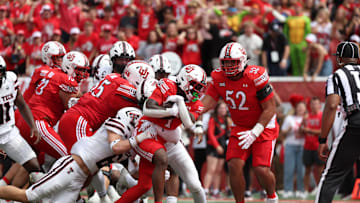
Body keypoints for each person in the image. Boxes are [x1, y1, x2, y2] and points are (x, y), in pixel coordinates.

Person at [0, 107, 152, 202]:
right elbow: (116, 146)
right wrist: (139, 138)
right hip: (71, 166)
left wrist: (154, 171)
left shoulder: (144, 133)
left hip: (80, 178)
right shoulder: (131, 116)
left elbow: (134, 171)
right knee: (29, 196)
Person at [196, 42, 279, 203]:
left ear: (242, 61)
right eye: (225, 62)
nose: (228, 66)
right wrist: (189, 111)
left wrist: (255, 132)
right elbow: (207, 102)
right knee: (234, 165)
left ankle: (271, 196)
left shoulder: (256, 76)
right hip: (240, 125)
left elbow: (270, 109)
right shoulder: (218, 77)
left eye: (232, 62)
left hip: (263, 125)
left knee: (260, 169)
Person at [117, 64, 207, 203]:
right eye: (194, 85)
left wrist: (180, 103)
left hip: (169, 138)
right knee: (161, 159)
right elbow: (148, 108)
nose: (196, 91)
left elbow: (189, 122)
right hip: (148, 132)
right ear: (183, 79)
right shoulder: (168, 85)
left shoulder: (196, 103)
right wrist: (171, 111)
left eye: (199, 87)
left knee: (195, 185)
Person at [58, 41, 138, 152]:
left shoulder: (117, 78)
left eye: (127, 60)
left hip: (93, 121)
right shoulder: (117, 80)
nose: (124, 63)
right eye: (121, 59)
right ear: (113, 60)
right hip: (84, 119)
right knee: (82, 159)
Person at [16, 51, 89, 160]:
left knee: (32, 163)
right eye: (80, 70)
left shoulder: (55, 72)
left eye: (84, 70)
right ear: (69, 67)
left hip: (26, 120)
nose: (83, 73)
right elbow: (70, 107)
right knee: (70, 159)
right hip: (38, 122)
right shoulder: (67, 80)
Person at [316, 41, 360, 203]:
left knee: (331, 176)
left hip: (355, 122)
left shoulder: (336, 76)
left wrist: (322, 139)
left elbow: (332, 105)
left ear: (340, 58)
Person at [0, 55, 41, 175]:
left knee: (34, 166)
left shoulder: (10, 79)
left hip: (9, 132)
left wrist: (32, 126)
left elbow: (22, 104)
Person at [203, 101, 231, 198]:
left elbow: (229, 132)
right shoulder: (213, 119)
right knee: (211, 169)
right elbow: (210, 134)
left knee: (219, 171)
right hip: (213, 147)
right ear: (217, 109)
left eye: (224, 108)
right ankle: (205, 190)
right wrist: (217, 146)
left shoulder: (227, 120)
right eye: (221, 108)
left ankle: (215, 190)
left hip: (223, 147)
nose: (223, 110)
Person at [280, 101, 306, 199]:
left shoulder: (306, 119)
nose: (300, 109)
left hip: (302, 146)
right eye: (299, 107)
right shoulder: (289, 118)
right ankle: (288, 190)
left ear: (305, 109)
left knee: (301, 169)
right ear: (296, 108)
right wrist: (289, 130)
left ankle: (300, 190)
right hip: (290, 145)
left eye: (302, 107)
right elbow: (282, 132)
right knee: (289, 169)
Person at [301, 97, 324, 195]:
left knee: (320, 170)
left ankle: (319, 189)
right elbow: (300, 130)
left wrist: (309, 130)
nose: (314, 106)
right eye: (312, 104)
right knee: (307, 170)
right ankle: (306, 190)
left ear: (320, 105)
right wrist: (302, 122)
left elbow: (323, 131)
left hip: (318, 146)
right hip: (307, 146)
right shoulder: (307, 116)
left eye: (316, 104)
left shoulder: (322, 116)